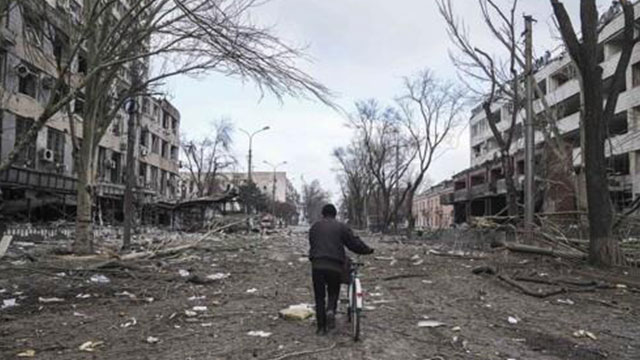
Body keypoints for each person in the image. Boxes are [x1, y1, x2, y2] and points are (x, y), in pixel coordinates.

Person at [308, 204, 374, 335]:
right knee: (333, 290)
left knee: (319, 296)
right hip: (335, 265)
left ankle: (321, 328)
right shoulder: (341, 227)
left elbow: (313, 243)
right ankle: (331, 309)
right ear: (335, 214)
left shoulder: (314, 227)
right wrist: (367, 250)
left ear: (322, 214)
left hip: (317, 265)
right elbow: (353, 243)